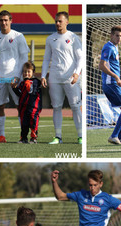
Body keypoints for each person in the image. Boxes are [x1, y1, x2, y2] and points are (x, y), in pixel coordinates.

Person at [0, 10, 30, 143]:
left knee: (20, 106)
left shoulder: (18, 36)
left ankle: (23, 136)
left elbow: (24, 57)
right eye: (1, 20)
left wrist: (19, 76)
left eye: (6, 20)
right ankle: (2, 136)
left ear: (11, 21)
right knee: (0, 106)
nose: (4, 22)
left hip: (15, 78)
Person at [41, 11, 82, 145]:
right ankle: (58, 137)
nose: (57, 23)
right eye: (56, 21)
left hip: (71, 78)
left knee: (75, 107)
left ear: (67, 22)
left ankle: (81, 137)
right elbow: (47, 59)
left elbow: (80, 57)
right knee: (57, 107)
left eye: (60, 21)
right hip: (54, 78)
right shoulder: (50, 39)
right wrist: (43, 75)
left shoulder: (73, 37)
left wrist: (77, 73)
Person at [99, 25, 121, 145]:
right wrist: (116, 77)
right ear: (111, 35)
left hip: (112, 83)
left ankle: (120, 136)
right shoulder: (108, 47)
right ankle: (114, 136)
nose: (119, 38)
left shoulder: (114, 47)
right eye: (117, 35)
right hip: (111, 83)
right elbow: (101, 65)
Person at [12, 61, 42, 144]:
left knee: (33, 122)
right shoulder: (22, 83)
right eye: (24, 72)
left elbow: (32, 91)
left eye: (28, 71)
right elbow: (20, 93)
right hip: (23, 107)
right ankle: (23, 138)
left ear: (33, 72)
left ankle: (33, 138)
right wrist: (14, 88)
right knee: (24, 123)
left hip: (33, 107)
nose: (26, 73)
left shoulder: (36, 81)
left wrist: (29, 85)